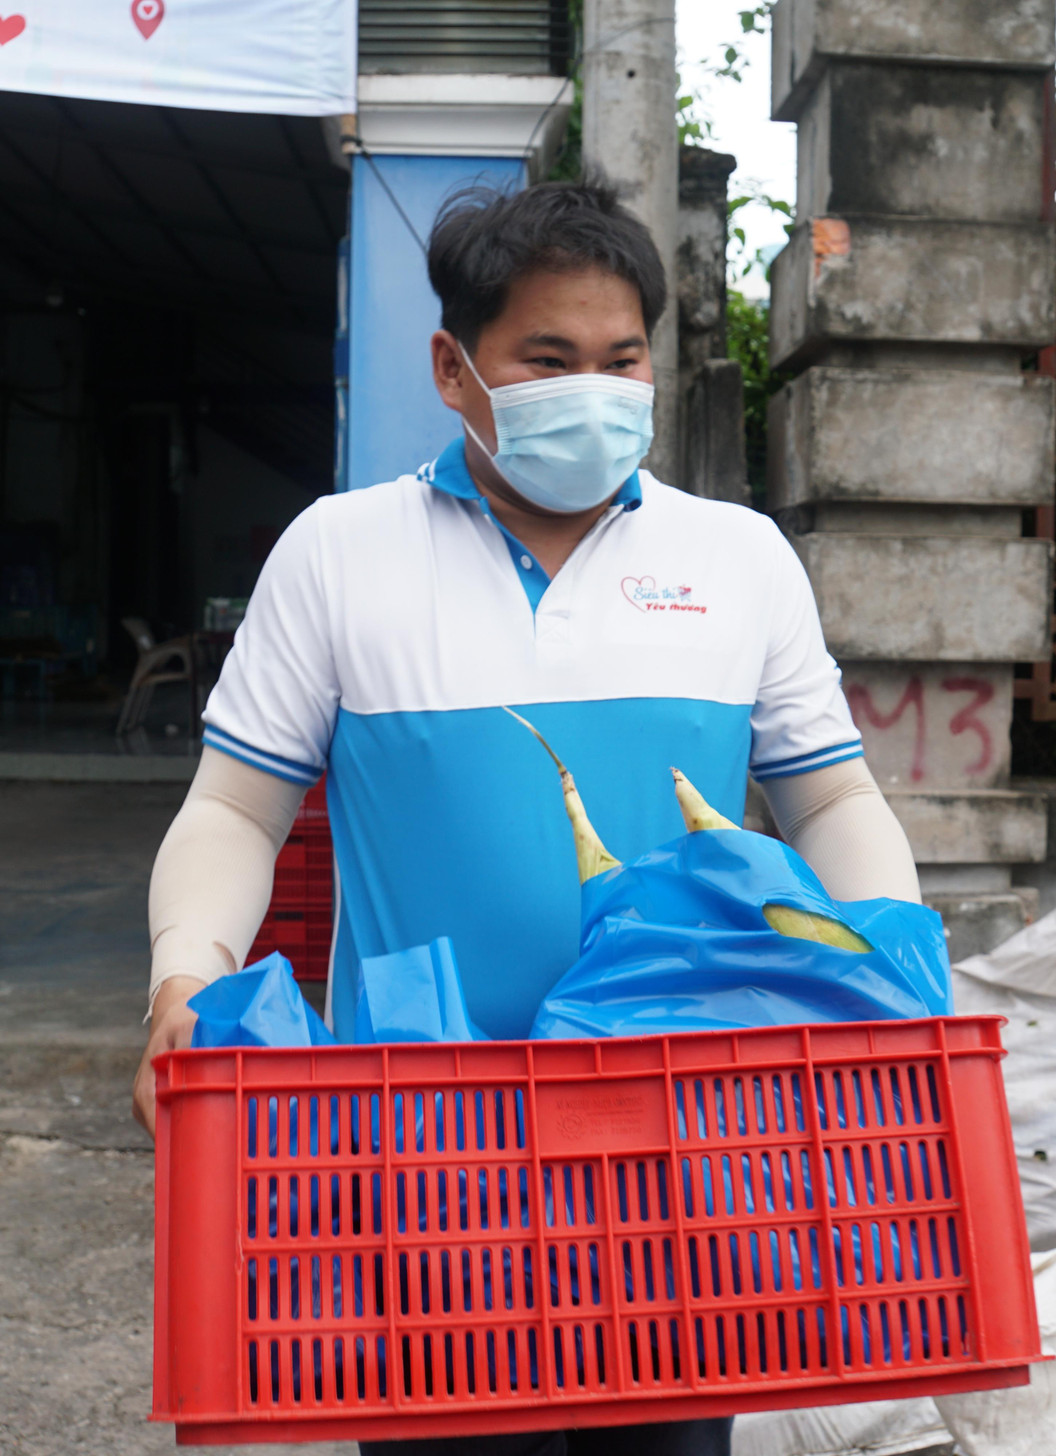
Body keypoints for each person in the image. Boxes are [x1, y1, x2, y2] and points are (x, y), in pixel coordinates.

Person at [131, 174, 920, 1456]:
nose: (593, 392)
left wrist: (889, 945)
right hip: (423, 1153)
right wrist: (184, 975)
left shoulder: (739, 560)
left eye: (621, 360)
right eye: (547, 358)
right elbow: (232, 808)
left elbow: (830, 794)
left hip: (685, 1147)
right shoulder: (340, 553)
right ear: (454, 367)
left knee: (668, 1438)